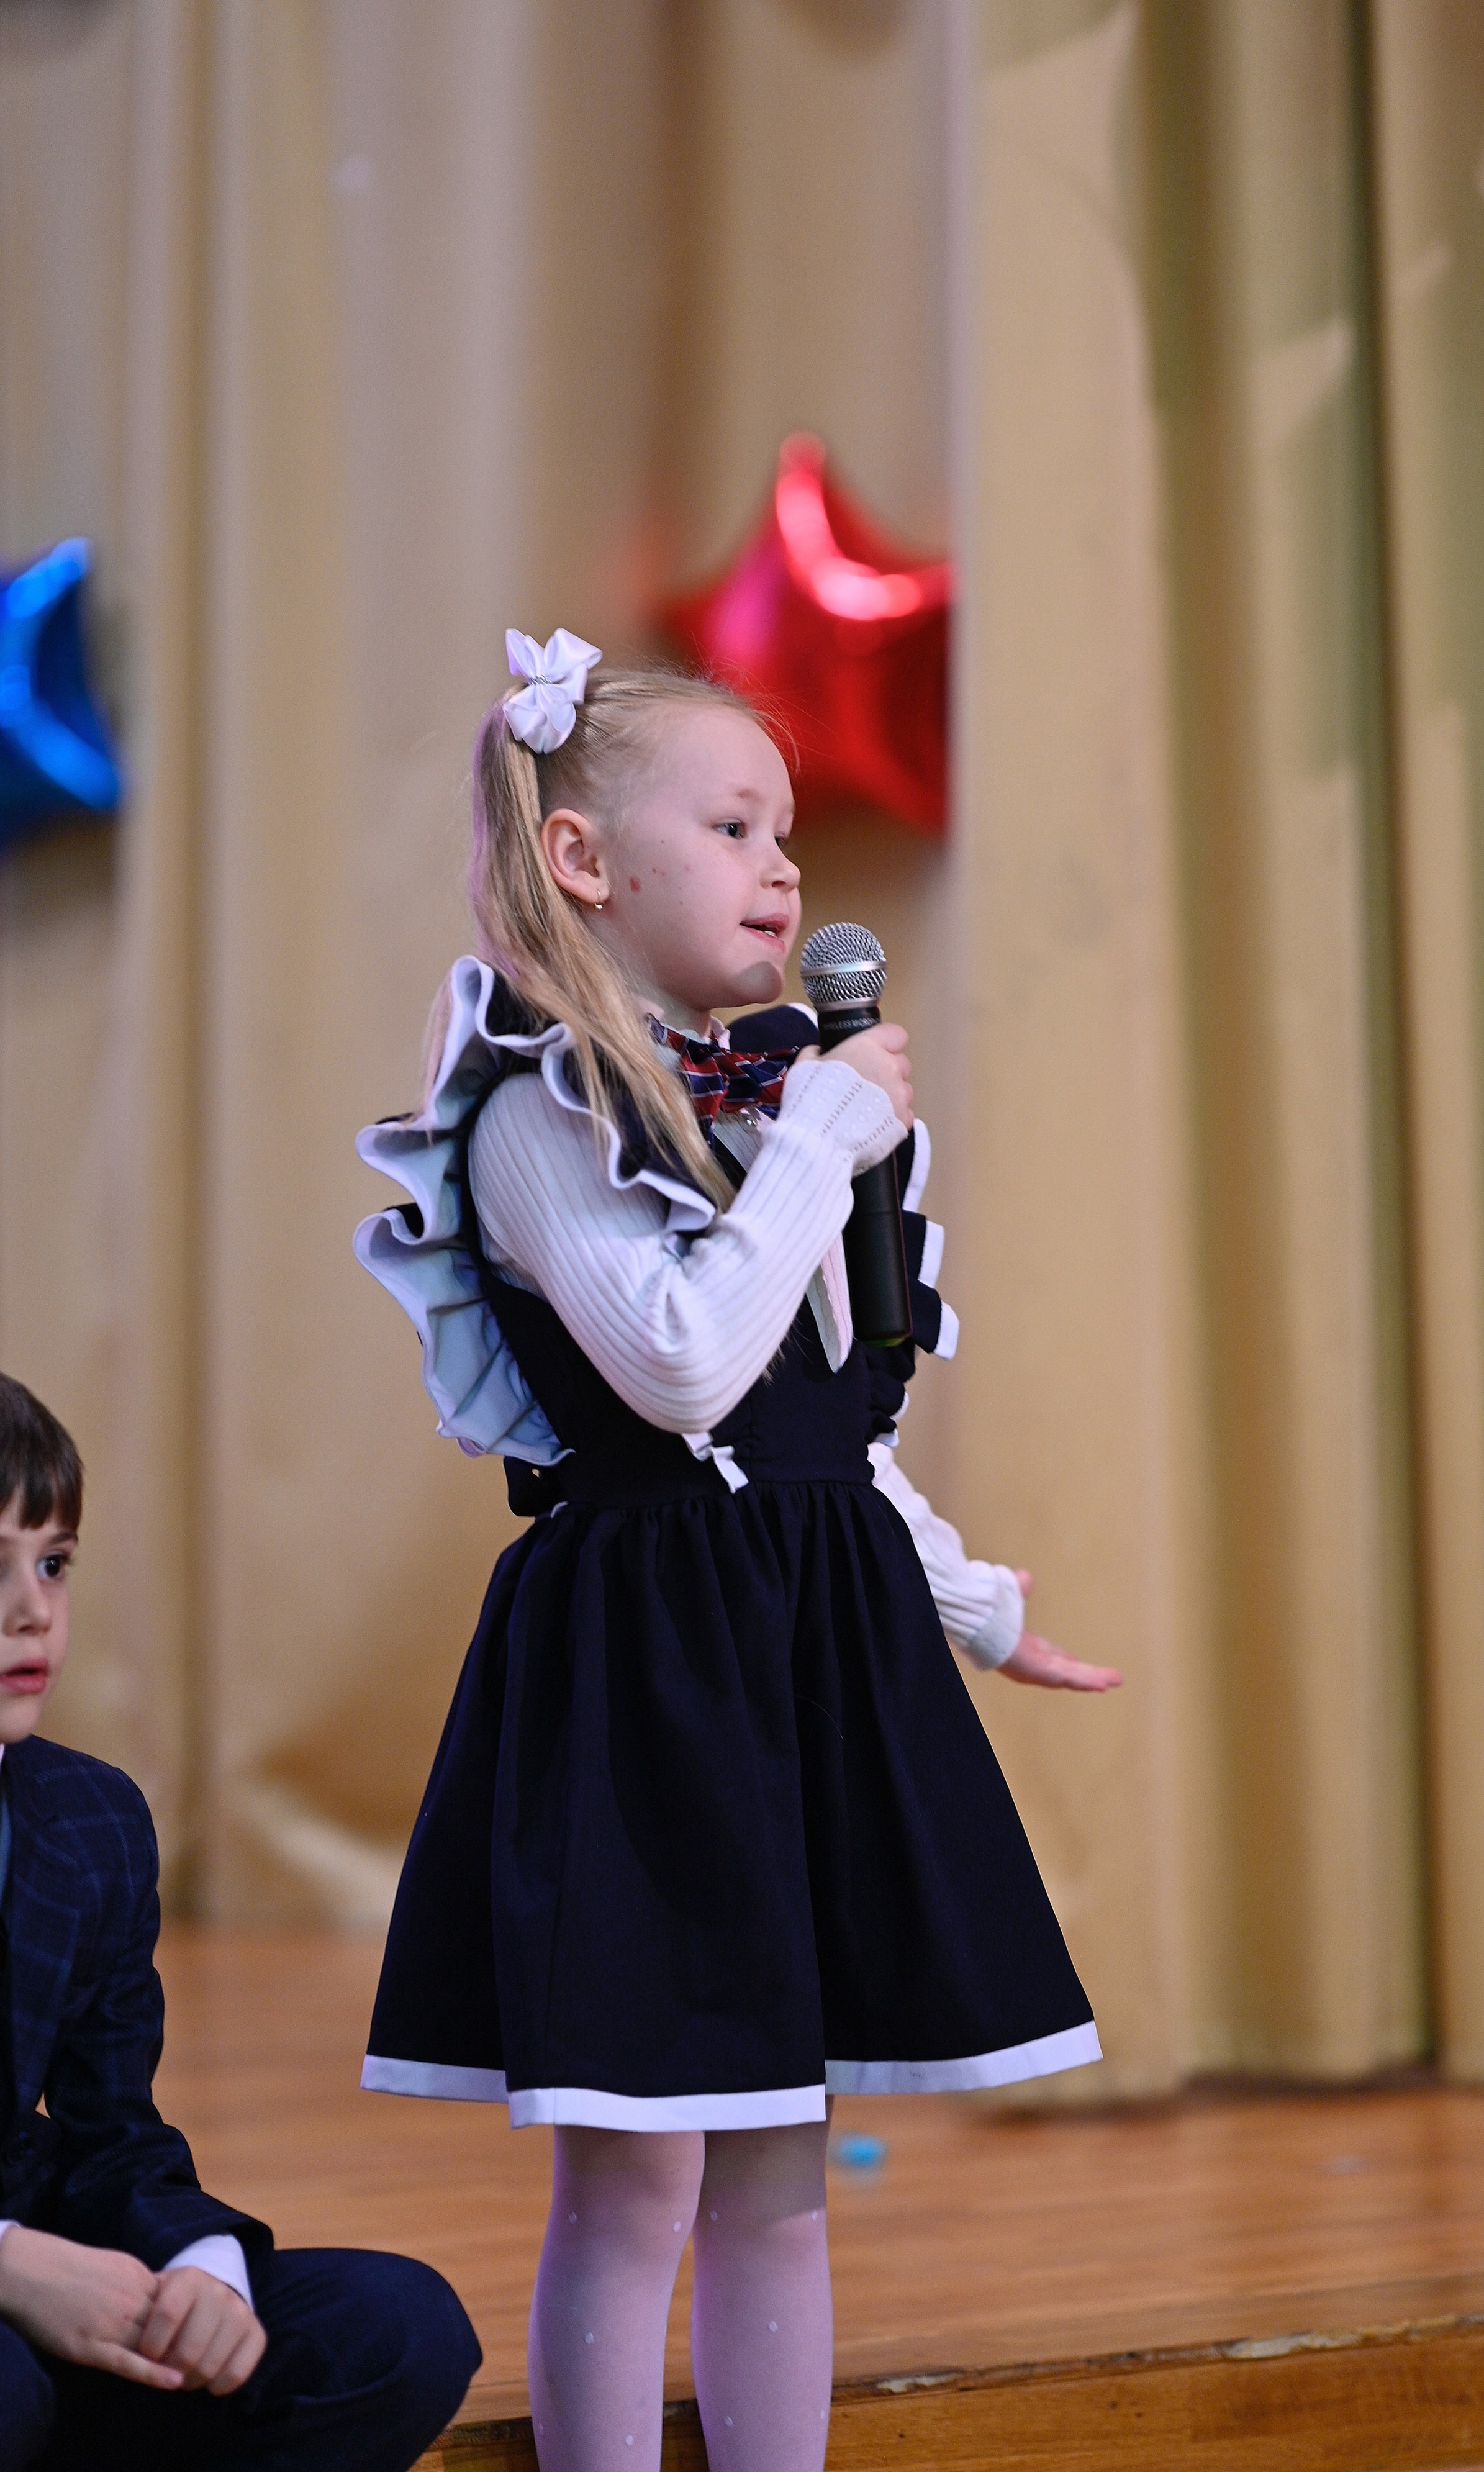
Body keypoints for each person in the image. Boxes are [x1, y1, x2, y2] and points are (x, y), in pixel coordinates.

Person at [354, 630, 1123, 2472]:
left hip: (800, 1655)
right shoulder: (543, 1109)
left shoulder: (781, 1107)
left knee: (780, 2180)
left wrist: (975, 1604)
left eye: (789, 830)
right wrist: (824, 1143)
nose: (788, 866)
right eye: (734, 823)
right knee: (639, 2179)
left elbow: (817, 1435)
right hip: (648, 1685)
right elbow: (683, 1363)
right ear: (585, 863)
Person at [0, 1340, 481, 2471]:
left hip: (44, 2301)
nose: (34, 1612)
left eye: (55, 1561)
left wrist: (203, 2268)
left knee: (397, 2329)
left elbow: (116, 2136)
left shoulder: (92, 1815)